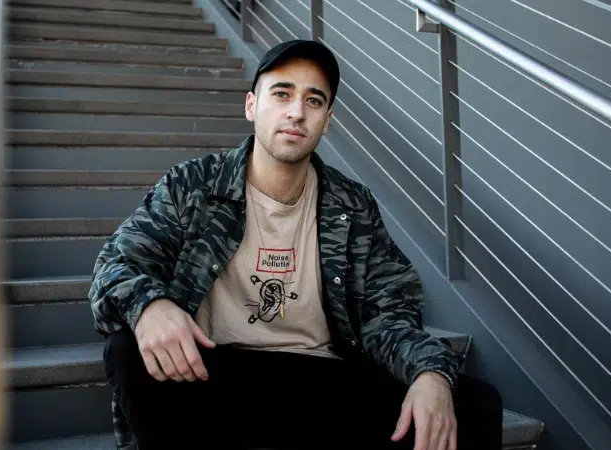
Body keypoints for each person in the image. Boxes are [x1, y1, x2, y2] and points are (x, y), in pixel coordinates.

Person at [89, 39, 503, 450]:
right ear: (252, 105)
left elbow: (390, 312)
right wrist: (151, 306)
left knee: (474, 403)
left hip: (318, 379)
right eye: (282, 93)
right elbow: (116, 264)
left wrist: (430, 373)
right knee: (128, 349)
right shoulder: (194, 185)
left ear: (327, 119)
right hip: (216, 374)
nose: (296, 112)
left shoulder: (351, 205)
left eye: (314, 100)